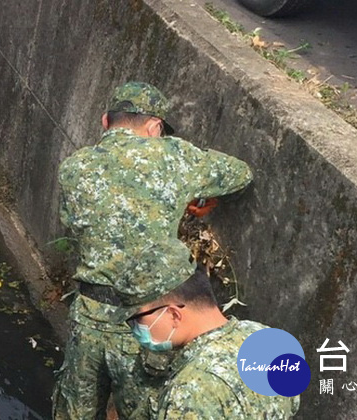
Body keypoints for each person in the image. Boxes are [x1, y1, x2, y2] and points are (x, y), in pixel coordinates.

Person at [53, 83, 254, 420]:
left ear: (105, 122)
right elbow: (240, 174)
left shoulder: (74, 167)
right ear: (154, 126)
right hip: (150, 322)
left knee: (74, 410)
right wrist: (189, 195)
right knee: (146, 410)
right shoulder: (174, 156)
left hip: (88, 316)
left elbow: (74, 224)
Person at [127, 267, 300, 418]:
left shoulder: (190, 390)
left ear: (174, 315)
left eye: (138, 319)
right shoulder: (266, 338)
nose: (136, 328)